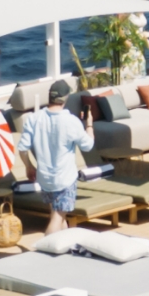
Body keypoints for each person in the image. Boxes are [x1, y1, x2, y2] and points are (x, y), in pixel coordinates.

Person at [16, 80, 94, 228]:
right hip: (65, 180)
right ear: (66, 98)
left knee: (58, 216)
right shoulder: (71, 121)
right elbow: (88, 146)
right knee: (57, 217)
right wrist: (89, 125)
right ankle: (46, 249)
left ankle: (62, 249)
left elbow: (22, 148)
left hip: (44, 179)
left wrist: (29, 166)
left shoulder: (34, 118)